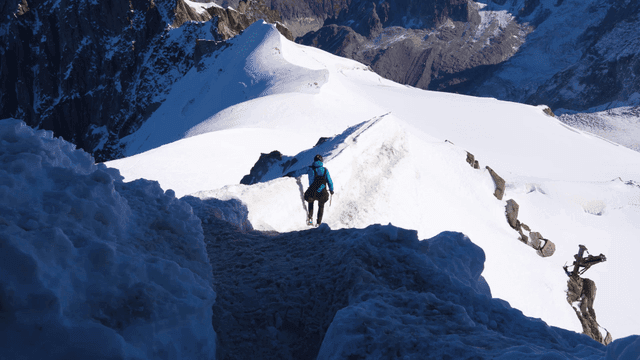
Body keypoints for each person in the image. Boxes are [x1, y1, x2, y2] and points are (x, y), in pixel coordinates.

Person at [304, 154, 334, 226]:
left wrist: (289, 174)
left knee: (310, 202)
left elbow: (298, 172)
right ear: (321, 161)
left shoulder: (310, 169)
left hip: (313, 192)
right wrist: (331, 190)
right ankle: (318, 223)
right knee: (321, 206)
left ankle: (310, 219)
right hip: (322, 193)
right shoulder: (325, 170)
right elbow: (330, 181)